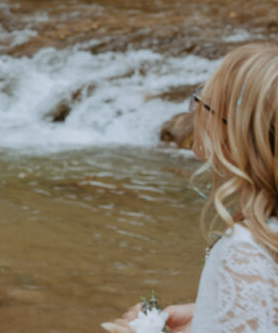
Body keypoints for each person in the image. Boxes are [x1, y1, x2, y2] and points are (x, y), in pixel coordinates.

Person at [111, 43, 278, 332]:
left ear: (233, 132)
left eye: (203, 100)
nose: (195, 110)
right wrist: (206, 314)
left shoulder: (246, 252)